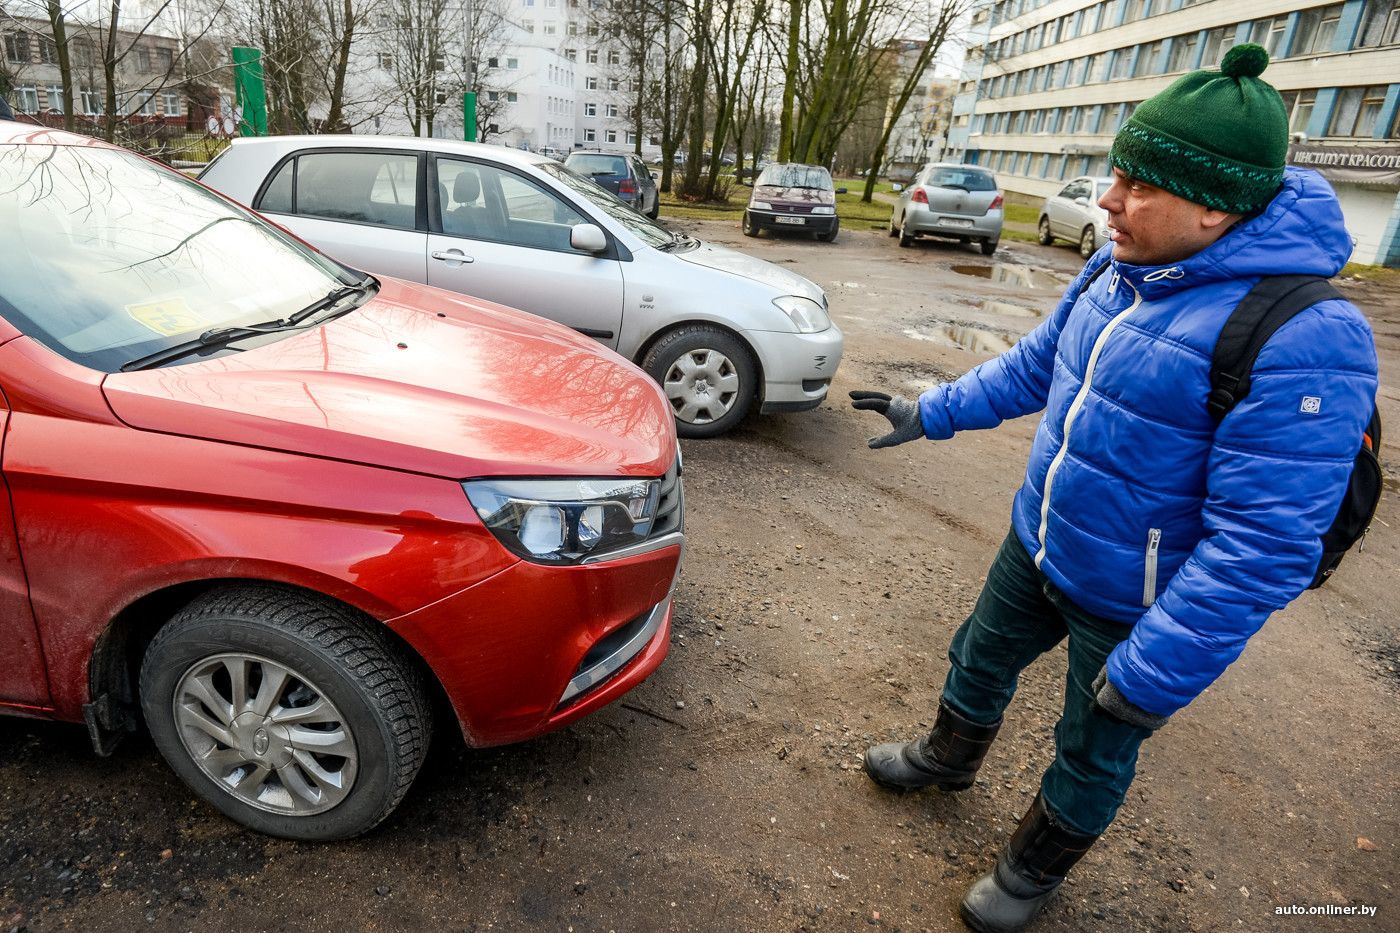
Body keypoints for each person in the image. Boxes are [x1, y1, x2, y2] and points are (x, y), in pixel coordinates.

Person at [850, 44, 1377, 933]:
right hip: (1044, 539)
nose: (1107, 200)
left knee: (1093, 746)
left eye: (1138, 186)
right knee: (977, 655)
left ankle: (1031, 870)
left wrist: (1159, 668)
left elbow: (1264, 542)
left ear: (1214, 206)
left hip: (1137, 601)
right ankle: (947, 757)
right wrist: (929, 410)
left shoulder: (1306, 332)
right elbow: (1035, 368)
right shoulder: (1119, 268)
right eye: (1115, 176)